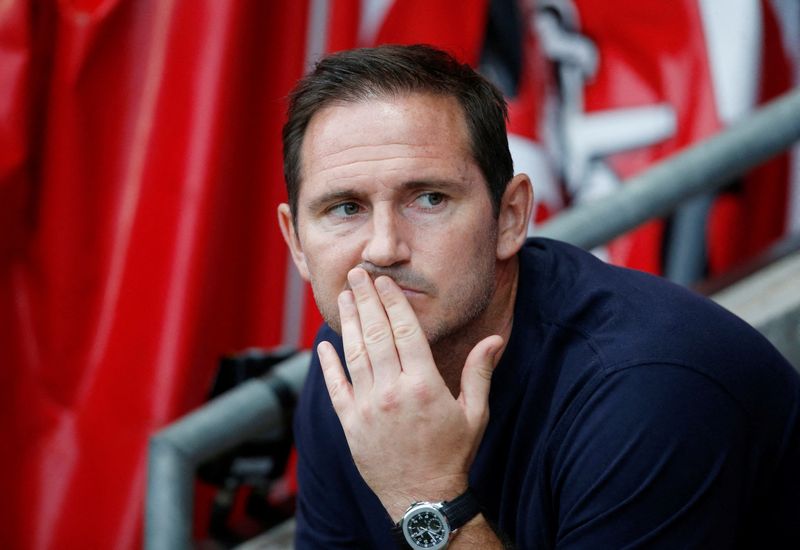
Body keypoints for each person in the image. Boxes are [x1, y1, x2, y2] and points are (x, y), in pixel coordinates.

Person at [277, 44, 800, 549]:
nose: (385, 247)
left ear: (510, 218)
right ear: (297, 242)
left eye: (429, 199)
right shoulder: (354, 366)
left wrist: (426, 494)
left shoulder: (647, 383)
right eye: (345, 208)